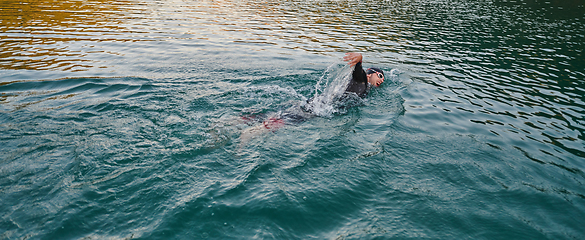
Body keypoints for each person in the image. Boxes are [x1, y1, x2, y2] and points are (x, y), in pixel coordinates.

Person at [238, 52, 385, 143]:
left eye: (383, 79)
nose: (382, 80)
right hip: (320, 109)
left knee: (279, 115)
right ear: (369, 74)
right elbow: (358, 73)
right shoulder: (363, 82)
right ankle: (249, 134)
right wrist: (360, 60)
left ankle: (238, 121)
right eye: (380, 76)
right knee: (286, 121)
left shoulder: (365, 88)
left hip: (319, 103)